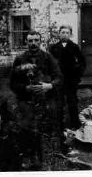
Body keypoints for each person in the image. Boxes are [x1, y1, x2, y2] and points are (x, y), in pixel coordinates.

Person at [10, 30, 63, 168]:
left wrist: (49, 85)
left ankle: (44, 155)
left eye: (36, 40)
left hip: (45, 98)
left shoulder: (48, 58)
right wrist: (25, 88)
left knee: (46, 125)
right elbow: (12, 83)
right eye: (30, 41)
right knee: (25, 126)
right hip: (26, 99)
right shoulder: (20, 59)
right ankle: (27, 156)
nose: (33, 43)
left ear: (40, 41)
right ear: (26, 42)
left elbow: (59, 78)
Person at [49, 25, 86, 130]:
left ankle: (75, 124)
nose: (65, 35)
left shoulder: (74, 47)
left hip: (71, 80)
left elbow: (82, 63)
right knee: (59, 102)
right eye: (63, 32)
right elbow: (50, 64)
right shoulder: (53, 48)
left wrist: (78, 76)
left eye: (67, 33)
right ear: (59, 34)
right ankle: (59, 124)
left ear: (70, 34)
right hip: (58, 80)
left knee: (72, 101)